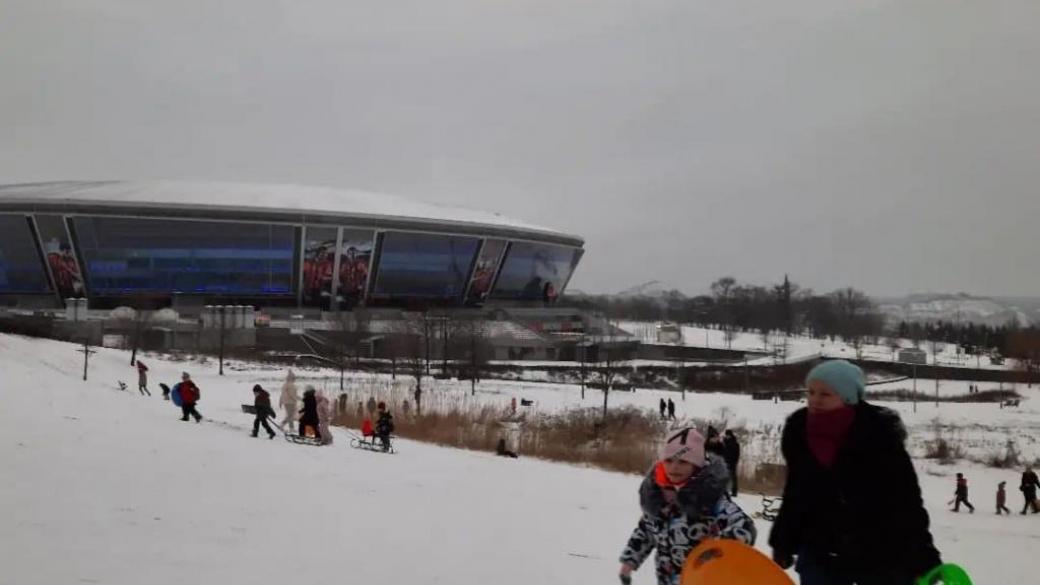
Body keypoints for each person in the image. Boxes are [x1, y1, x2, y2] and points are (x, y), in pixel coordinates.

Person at [769, 360, 941, 585]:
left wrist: (923, 553)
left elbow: (905, 500)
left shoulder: (879, 434)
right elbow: (796, 492)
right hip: (821, 548)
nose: (815, 399)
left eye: (825, 394)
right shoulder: (798, 431)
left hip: (878, 549)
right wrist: (783, 541)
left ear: (848, 397)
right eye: (810, 392)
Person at [619, 427, 756, 585]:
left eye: (683, 462)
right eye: (669, 461)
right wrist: (629, 561)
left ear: (696, 465)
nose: (674, 467)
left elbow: (745, 527)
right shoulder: (658, 497)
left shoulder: (710, 499)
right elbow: (646, 531)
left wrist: (714, 550)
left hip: (702, 579)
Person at [722, 430, 741, 497]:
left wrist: (735, 462)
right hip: (726, 461)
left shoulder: (734, 443)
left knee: (732, 477)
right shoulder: (725, 442)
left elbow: (737, 454)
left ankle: (734, 491)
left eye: (728, 435)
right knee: (725, 476)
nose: (727, 436)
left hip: (731, 462)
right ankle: (725, 491)